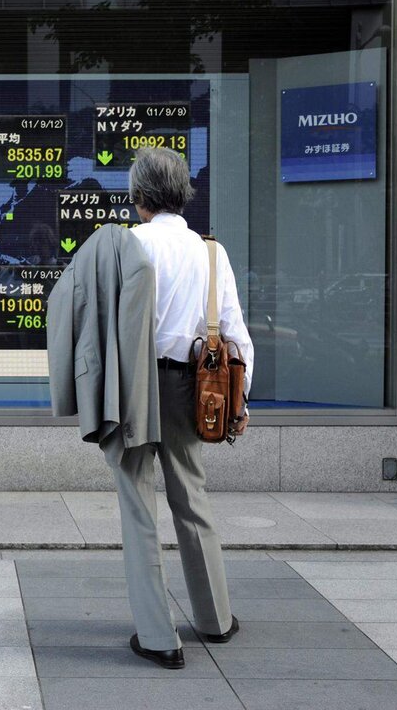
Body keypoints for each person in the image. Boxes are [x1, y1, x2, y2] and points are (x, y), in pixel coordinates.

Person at [124, 147, 252, 667]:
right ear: (182, 194)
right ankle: (215, 619)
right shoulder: (211, 253)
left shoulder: (127, 245)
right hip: (189, 386)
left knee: (138, 506)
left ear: (139, 198)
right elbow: (234, 333)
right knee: (191, 500)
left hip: (132, 387)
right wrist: (241, 403)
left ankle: (157, 637)